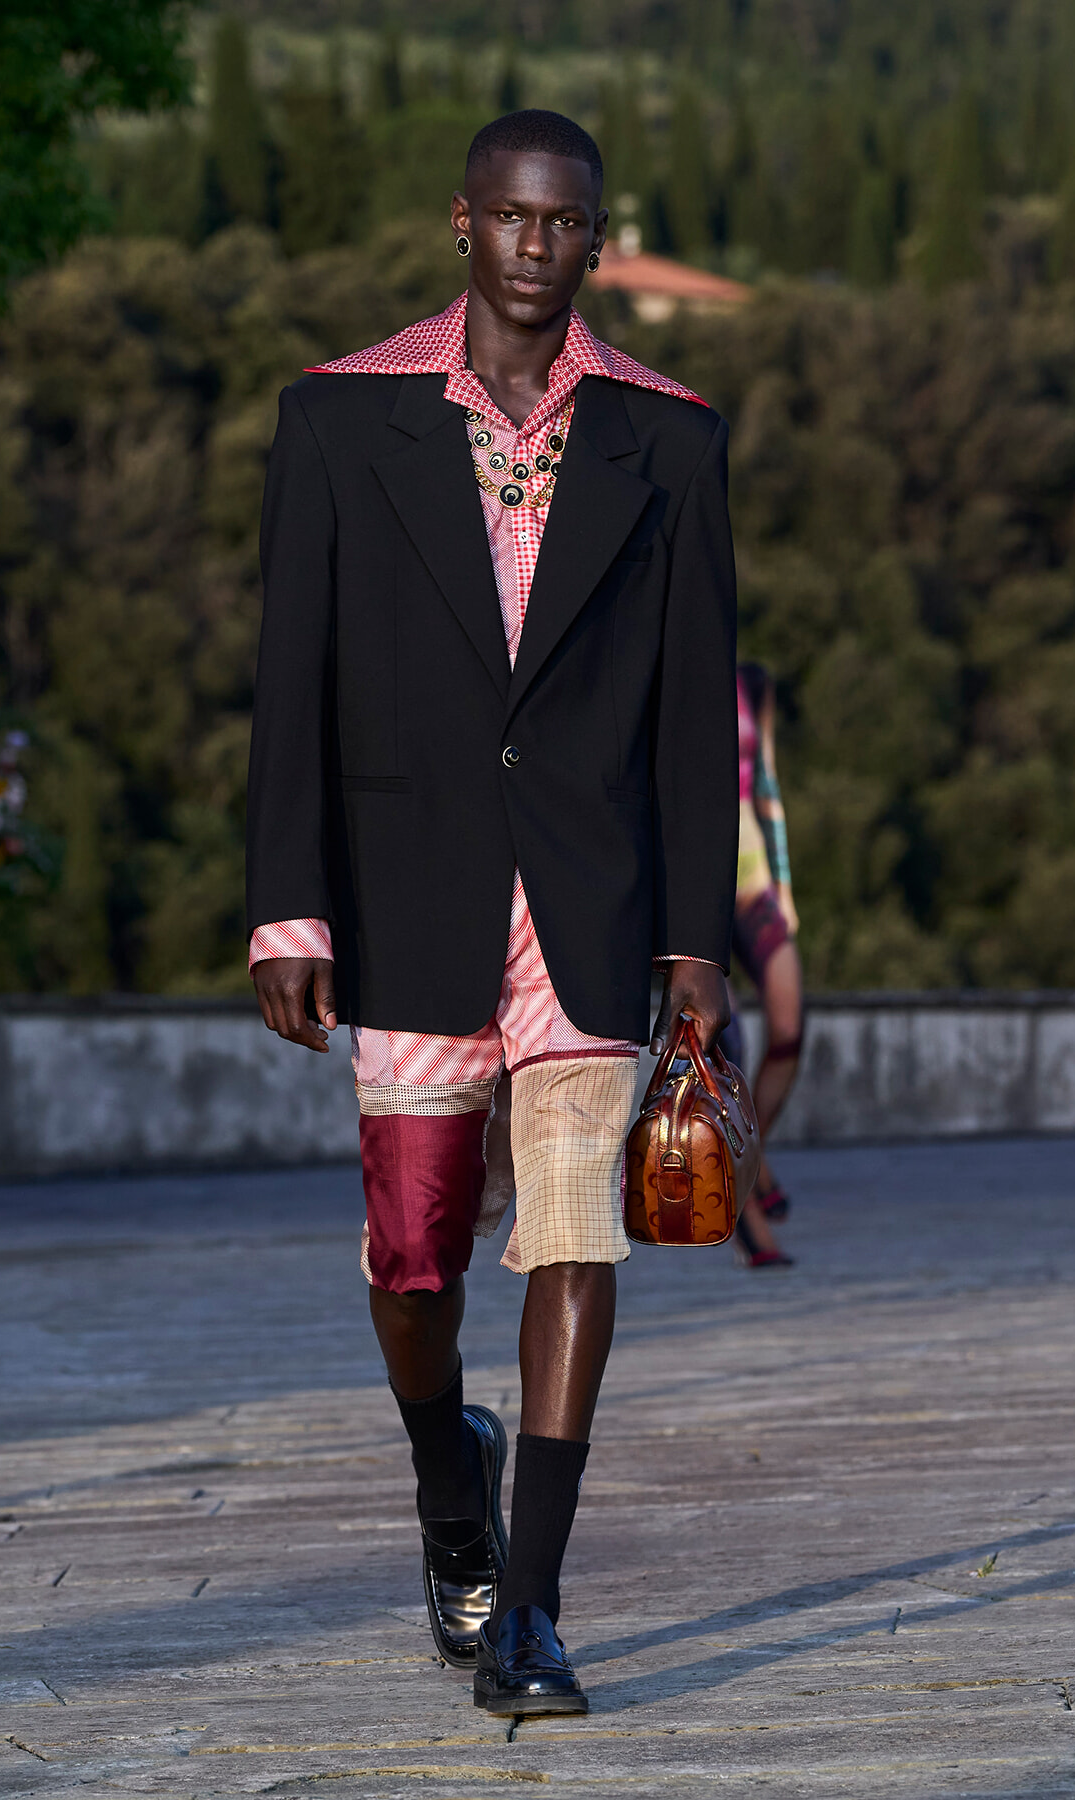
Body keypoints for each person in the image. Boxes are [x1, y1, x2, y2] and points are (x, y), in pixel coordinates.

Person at [246, 110, 739, 1717]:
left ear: (595, 242)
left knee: (576, 1235)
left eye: (566, 225)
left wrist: (696, 938)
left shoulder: (669, 440)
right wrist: (288, 909)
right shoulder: (339, 420)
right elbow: (295, 688)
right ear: (463, 223)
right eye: (511, 220)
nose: (536, 248)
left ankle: (529, 1609)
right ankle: (444, 1481)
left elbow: (686, 708)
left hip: (588, 909)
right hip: (405, 901)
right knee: (409, 1259)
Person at [722, 662, 803, 1268]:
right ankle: (747, 1208)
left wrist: (785, 886)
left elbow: (766, 785)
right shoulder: (655, 663)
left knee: (788, 1029)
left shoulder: (753, 682)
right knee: (729, 1054)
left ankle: (754, 1159)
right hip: (694, 886)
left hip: (754, 885)